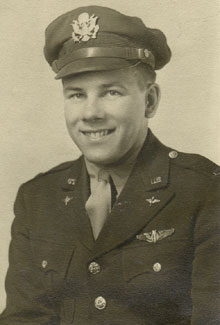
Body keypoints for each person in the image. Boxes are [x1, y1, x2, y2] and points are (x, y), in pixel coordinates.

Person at [0, 5, 219, 325]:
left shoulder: (204, 190)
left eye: (111, 92)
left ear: (150, 101)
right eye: (76, 95)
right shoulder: (37, 198)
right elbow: (24, 318)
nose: (90, 113)